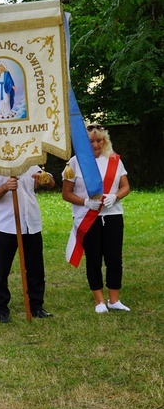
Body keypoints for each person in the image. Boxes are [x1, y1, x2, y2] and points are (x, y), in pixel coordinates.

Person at [62, 123, 130, 313]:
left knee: (114, 258)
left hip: (113, 215)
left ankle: (114, 300)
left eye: (99, 140)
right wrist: (85, 202)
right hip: (88, 216)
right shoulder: (75, 162)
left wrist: (115, 196)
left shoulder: (115, 160)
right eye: (91, 141)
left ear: (105, 141)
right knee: (93, 258)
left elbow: (126, 187)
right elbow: (66, 193)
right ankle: (99, 301)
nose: (96, 144)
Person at [0, 166, 55, 323]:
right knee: (2, 270)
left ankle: (36, 306)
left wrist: (43, 177)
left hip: (31, 223)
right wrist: (5, 187)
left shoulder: (29, 161)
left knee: (36, 268)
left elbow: (50, 183)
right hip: (6, 225)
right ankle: (1, 309)